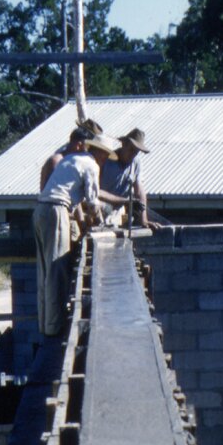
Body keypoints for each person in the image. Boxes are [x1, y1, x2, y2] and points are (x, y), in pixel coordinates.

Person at [33, 134, 114, 338]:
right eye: (105, 156)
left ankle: (45, 324)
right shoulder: (92, 165)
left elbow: (76, 201)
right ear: (101, 154)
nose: (104, 160)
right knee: (56, 270)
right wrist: (97, 222)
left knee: (44, 270)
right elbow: (93, 202)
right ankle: (54, 328)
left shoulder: (71, 159)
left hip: (41, 211)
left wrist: (83, 222)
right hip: (56, 211)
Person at [98, 128, 159, 229]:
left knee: (122, 231)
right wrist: (124, 201)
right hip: (101, 207)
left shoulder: (136, 163)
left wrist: (144, 220)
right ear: (123, 144)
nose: (133, 154)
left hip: (120, 211)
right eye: (131, 150)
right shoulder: (106, 160)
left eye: (136, 152)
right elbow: (96, 191)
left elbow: (139, 192)